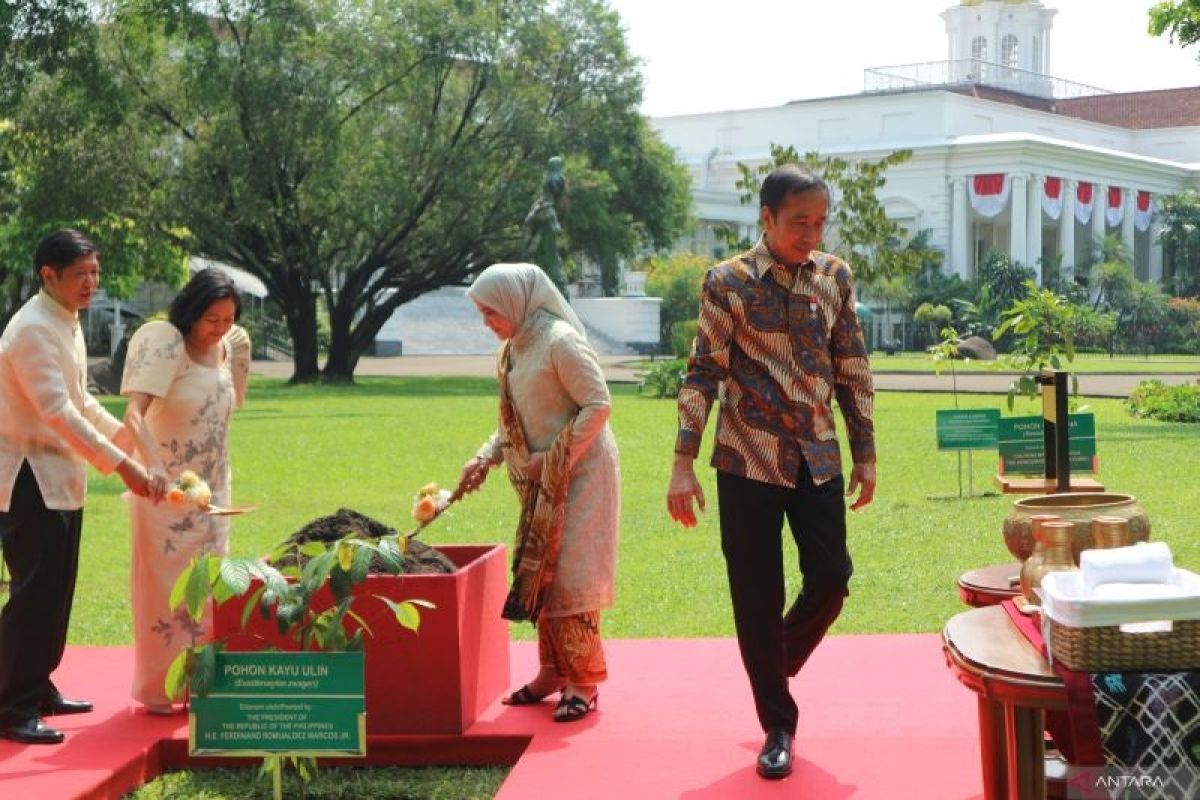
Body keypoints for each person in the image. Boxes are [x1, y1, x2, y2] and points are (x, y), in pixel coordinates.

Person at [665, 164, 876, 779]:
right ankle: (777, 724)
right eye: (796, 222)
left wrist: (865, 453)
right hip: (746, 461)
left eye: (818, 223)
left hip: (817, 457)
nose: (808, 234)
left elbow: (852, 365)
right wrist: (683, 463)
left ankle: (770, 660)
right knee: (756, 596)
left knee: (832, 579)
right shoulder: (726, 282)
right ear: (766, 217)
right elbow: (702, 372)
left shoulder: (834, 276)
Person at [0, 229, 152, 744]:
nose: (91, 283)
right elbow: (57, 410)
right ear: (49, 276)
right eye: (81, 274)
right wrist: (123, 465)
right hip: (28, 476)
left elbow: (82, 398)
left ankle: (36, 687)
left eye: (95, 273)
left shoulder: (63, 320)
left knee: (56, 588)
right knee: (33, 592)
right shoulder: (32, 330)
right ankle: (10, 706)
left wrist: (124, 439)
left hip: (59, 473)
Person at [458, 263, 619, 723]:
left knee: (570, 571)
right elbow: (516, 420)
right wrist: (485, 457)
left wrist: (553, 458)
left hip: (583, 472)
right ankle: (551, 672)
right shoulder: (513, 349)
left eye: (491, 312)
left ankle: (582, 682)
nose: (486, 322)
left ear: (515, 302)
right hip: (540, 478)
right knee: (544, 570)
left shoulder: (559, 341)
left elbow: (598, 404)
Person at [120, 268, 251, 715]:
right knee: (166, 589)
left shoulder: (233, 346)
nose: (220, 329)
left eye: (228, 318)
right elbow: (133, 415)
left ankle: (203, 682)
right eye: (212, 319)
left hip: (214, 488)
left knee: (210, 585)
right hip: (166, 492)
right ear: (192, 311)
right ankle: (162, 688)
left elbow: (228, 412)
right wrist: (152, 465)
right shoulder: (165, 344)